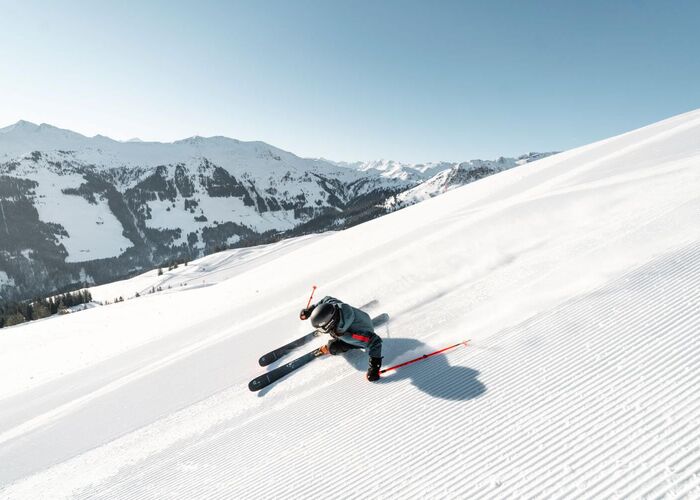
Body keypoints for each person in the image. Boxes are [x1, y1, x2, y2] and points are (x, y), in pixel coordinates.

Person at [300, 296, 383, 381]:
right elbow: (326, 299)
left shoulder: (350, 335)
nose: (320, 331)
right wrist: (311, 310)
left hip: (361, 334)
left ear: (330, 324)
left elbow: (375, 342)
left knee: (333, 347)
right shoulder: (333, 305)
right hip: (362, 318)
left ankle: (330, 348)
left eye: (321, 329)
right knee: (334, 334)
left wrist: (374, 368)